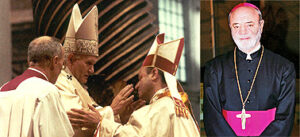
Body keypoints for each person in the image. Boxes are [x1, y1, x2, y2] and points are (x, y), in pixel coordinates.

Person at [203, 3, 295, 136]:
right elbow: (212, 117)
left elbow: (285, 118)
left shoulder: (283, 67)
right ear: (230, 28)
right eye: (236, 26)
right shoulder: (215, 68)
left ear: (261, 25)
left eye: (249, 25)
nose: (242, 32)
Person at [92, 33, 200, 137]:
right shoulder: (179, 108)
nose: (137, 85)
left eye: (140, 78)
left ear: (154, 74)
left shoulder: (160, 108)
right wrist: (125, 121)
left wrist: (101, 123)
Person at [55, 4, 133, 137]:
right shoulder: (60, 81)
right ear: (72, 59)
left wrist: (121, 116)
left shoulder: (77, 85)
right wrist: (112, 110)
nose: (92, 70)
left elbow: (95, 118)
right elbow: (77, 123)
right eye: (88, 63)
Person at [0, 36, 74, 137]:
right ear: (55, 61)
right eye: (63, 64)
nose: (62, 68)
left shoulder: (3, 89)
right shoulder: (46, 92)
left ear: (28, 60)